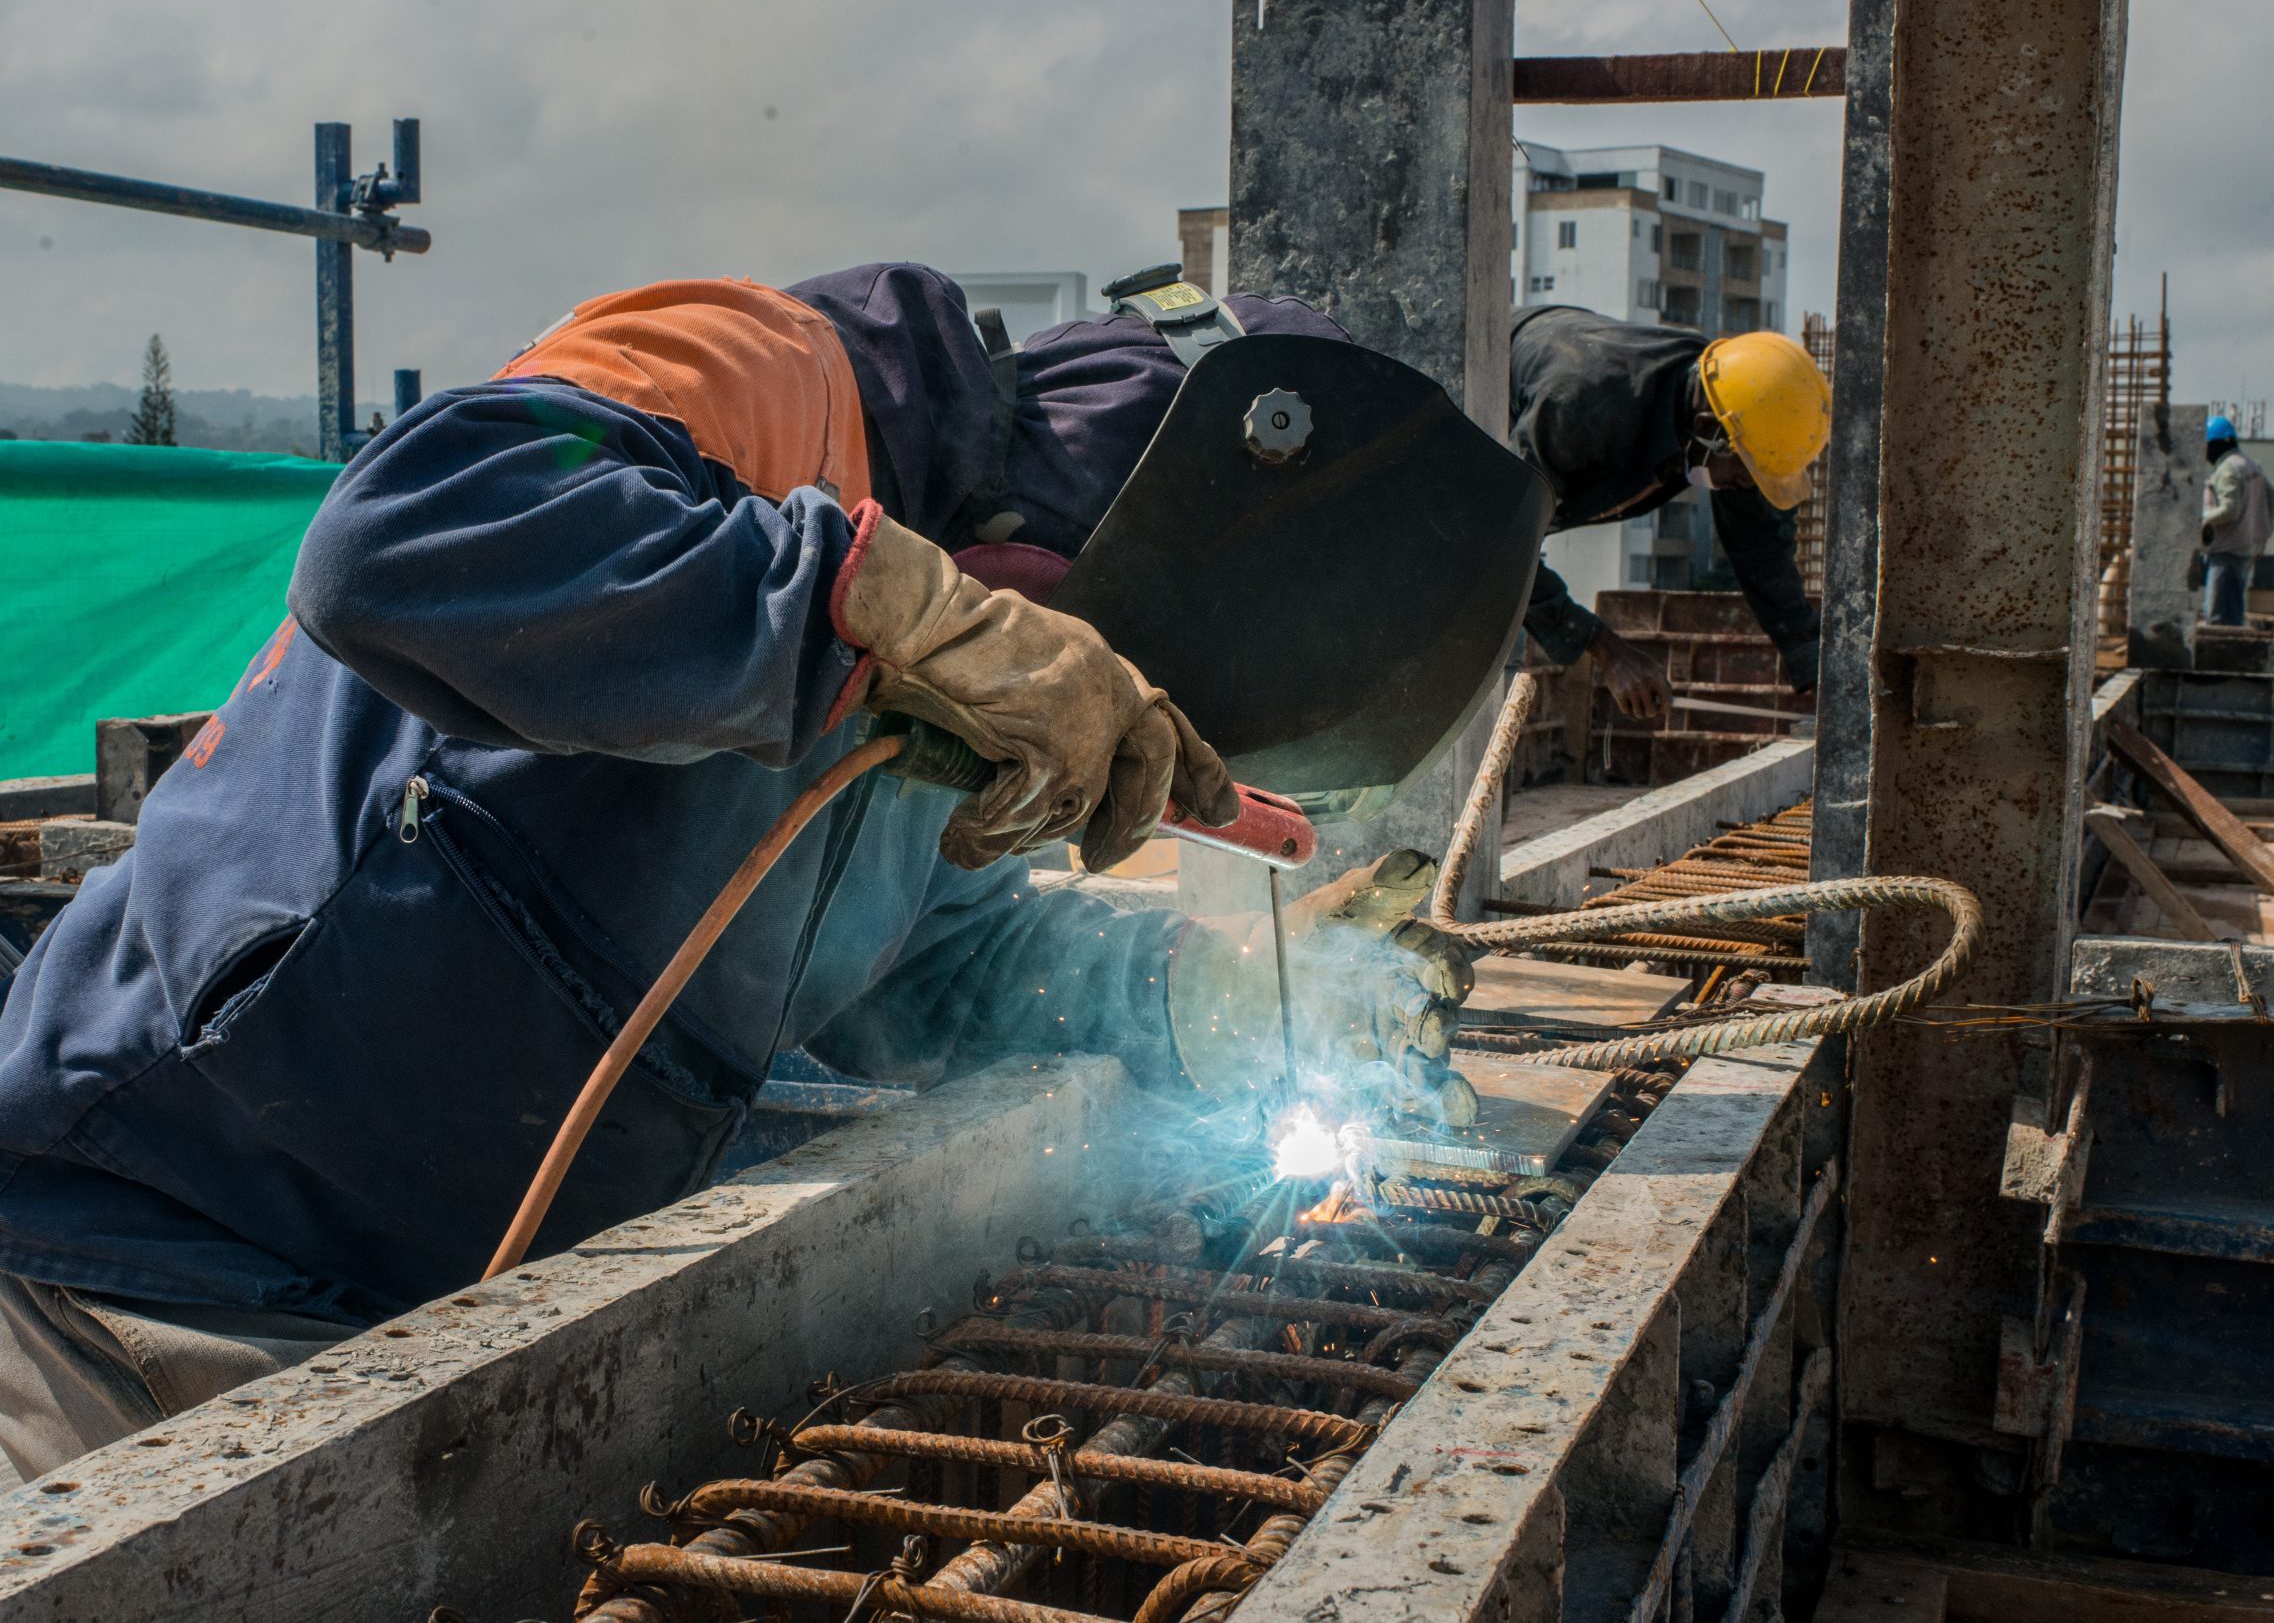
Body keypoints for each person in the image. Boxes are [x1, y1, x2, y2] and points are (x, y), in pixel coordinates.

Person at [0, 265, 1475, 1484]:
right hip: (141, 1273)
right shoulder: (767, 368)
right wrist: (864, 607)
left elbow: (935, 960)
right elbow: (400, 533)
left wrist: (1190, 996)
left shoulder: (958, 693)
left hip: (444, 1334)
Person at [1510, 307, 1833, 699]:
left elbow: (1758, 549)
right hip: (1459, 416)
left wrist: (1808, 659)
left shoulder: (1723, 402)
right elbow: (1498, 539)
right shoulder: (1580, 410)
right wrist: (1608, 651)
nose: (1742, 488)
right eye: (1743, 476)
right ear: (1706, 428)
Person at [2198, 415, 2274, 627]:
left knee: (2218, 614)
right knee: (2232, 607)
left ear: (2219, 443)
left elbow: (2230, 510)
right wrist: (2264, 532)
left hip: (2227, 548)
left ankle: (2221, 647)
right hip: (2246, 545)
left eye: (2207, 445)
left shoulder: (2227, 469)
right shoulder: (2249, 464)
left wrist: (2201, 520)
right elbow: (2273, 497)